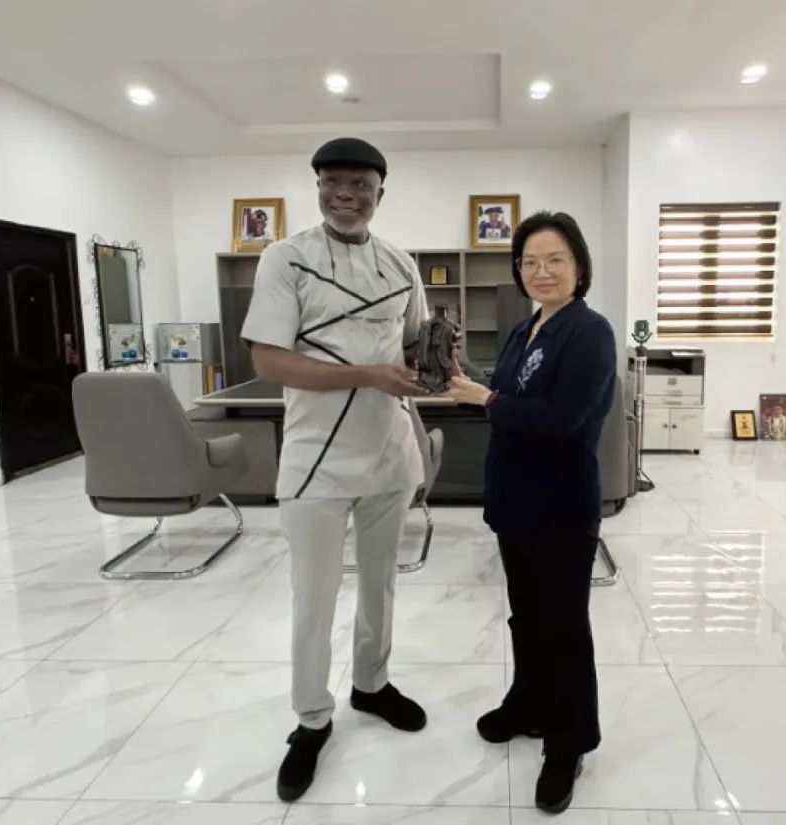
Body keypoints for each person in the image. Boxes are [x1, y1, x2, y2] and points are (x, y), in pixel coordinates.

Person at [240, 136, 430, 803]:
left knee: (381, 585)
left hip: (388, 451)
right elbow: (269, 360)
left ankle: (371, 684)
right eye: (332, 183)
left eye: (359, 184)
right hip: (315, 457)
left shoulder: (402, 264)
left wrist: (438, 356)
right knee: (313, 598)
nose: (345, 195)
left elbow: (414, 346)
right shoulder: (285, 258)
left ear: (381, 191)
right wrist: (368, 373)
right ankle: (312, 718)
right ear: (318, 187)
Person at [447, 210, 615, 815]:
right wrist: (467, 375)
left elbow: (563, 418)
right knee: (527, 616)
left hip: (561, 504)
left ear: (579, 267)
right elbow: (510, 391)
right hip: (515, 499)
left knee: (564, 626)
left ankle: (568, 743)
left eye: (555, 260)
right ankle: (529, 704)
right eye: (529, 262)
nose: (541, 272)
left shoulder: (589, 332)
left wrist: (487, 398)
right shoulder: (527, 328)